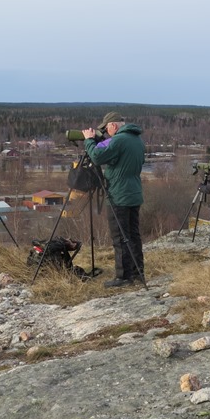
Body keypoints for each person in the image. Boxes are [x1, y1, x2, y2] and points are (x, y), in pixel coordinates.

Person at [82, 111, 145, 288]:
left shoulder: (119, 139)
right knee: (133, 235)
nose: (106, 132)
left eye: (107, 128)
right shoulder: (137, 139)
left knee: (120, 237)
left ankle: (123, 277)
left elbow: (97, 157)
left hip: (119, 195)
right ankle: (137, 272)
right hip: (134, 192)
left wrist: (89, 140)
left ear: (114, 126)